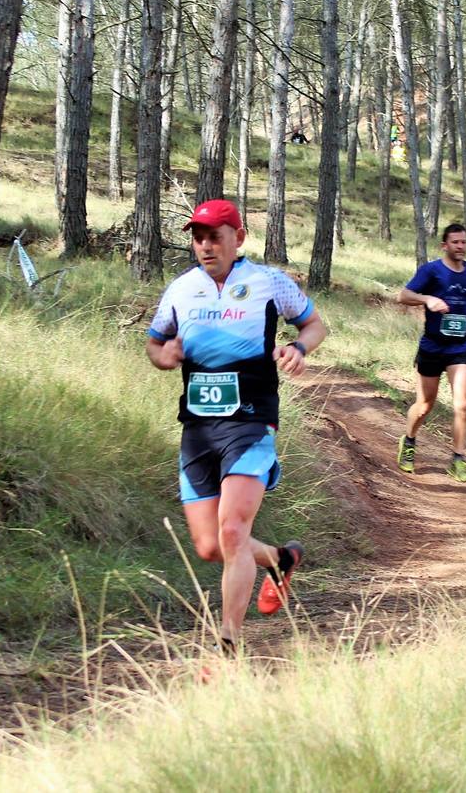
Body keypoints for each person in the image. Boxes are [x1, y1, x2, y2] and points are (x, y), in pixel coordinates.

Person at [146, 198, 327, 653]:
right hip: (199, 427)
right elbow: (154, 343)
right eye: (198, 237)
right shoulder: (181, 289)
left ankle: (227, 644)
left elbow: (314, 325)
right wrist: (163, 356)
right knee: (211, 546)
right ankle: (281, 560)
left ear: (238, 238)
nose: (205, 246)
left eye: (215, 237)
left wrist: (299, 348)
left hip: (251, 420)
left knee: (232, 532)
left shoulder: (267, 282)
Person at [396, 223, 466, 483]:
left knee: (462, 405)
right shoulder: (432, 270)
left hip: (459, 347)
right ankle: (409, 441)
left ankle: (458, 460)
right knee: (424, 406)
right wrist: (427, 300)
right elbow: (403, 295)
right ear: (445, 245)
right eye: (455, 242)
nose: (460, 247)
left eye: (464, 242)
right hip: (433, 346)